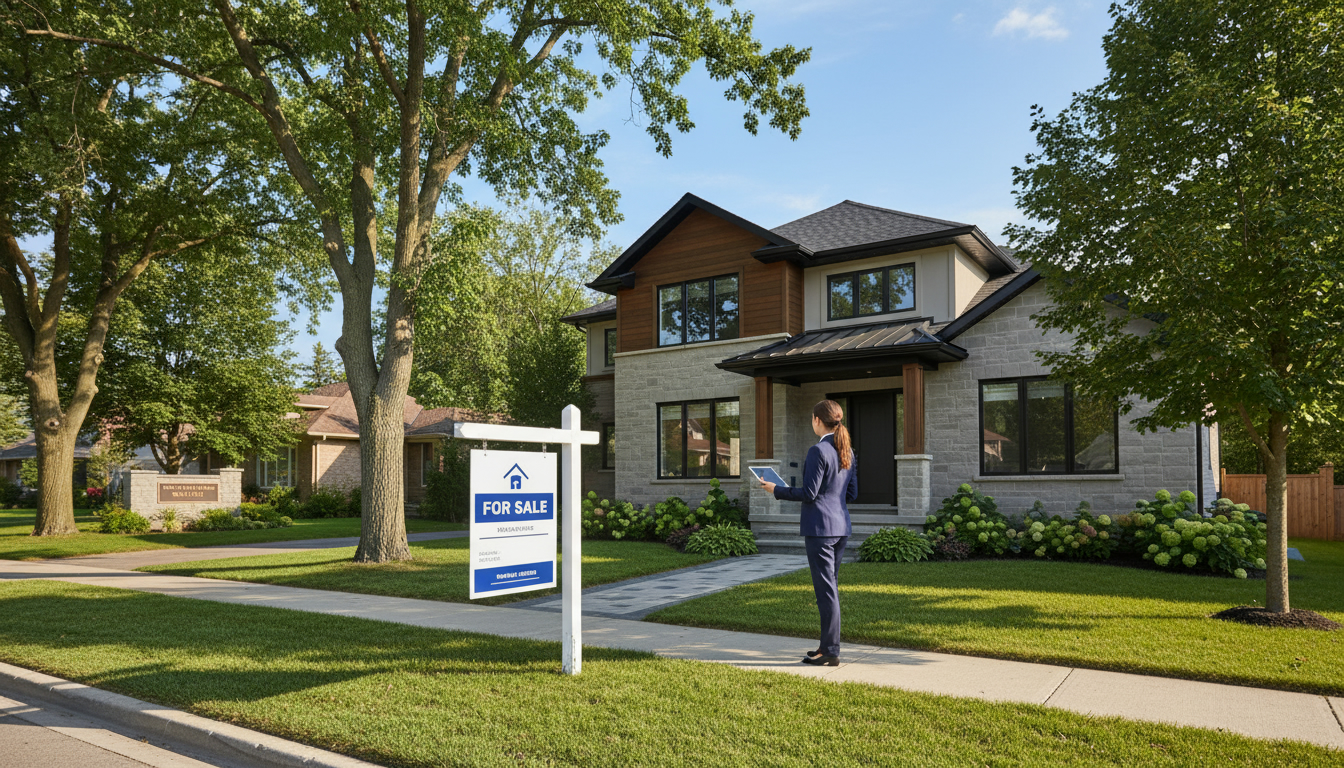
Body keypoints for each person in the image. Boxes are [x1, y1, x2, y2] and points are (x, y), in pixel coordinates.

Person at [757, 399, 857, 666]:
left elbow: (810, 494)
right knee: (830, 589)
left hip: (821, 530)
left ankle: (831, 651)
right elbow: (852, 493)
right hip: (840, 527)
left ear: (817, 420)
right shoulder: (846, 450)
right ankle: (826, 647)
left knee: (826, 592)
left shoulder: (818, 451)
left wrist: (775, 490)